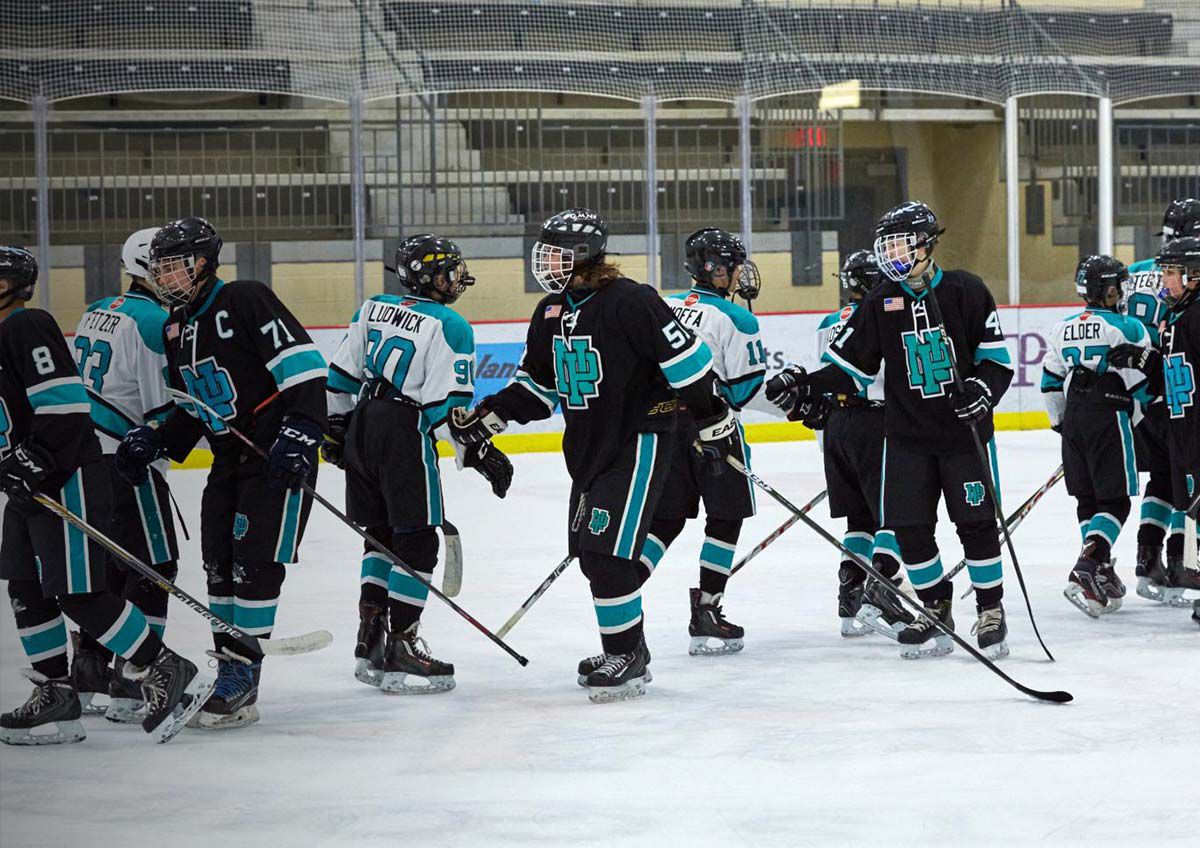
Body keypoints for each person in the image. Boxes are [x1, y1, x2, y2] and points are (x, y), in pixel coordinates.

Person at [449, 208, 733, 702]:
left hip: (638, 440)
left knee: (606, 554)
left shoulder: (632, 301)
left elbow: (689, 364)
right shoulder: (550, 312)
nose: (545, 261)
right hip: (586, 447)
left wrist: (713, 422)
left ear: (582, 255)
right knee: (591, 556)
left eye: (555, 251)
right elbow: (538, 388)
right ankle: (628, 647)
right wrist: (489, 419)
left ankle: (625, 653)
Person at [765, 201, 1014, 660]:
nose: (892, 255)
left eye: (900, 244)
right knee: (910, 528)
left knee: (976, 525)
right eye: (887, 246)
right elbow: (847, 368)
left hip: (964, 437)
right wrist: (805, 382)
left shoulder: (966, 290)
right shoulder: (881, 300)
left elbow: (997, 362)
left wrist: (982, 389)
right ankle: (935, 605)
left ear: (925, 244)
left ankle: (990, 607)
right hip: (906, 438)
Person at [115, 217, 327, 729]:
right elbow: (189, 410)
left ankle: (242, 679)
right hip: (228, 461)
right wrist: (156, 437)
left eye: (174, 265)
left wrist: (300, 433)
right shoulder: (173, 327)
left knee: (253, 565)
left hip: (273, 456)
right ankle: (231, 664)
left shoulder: (245, 299)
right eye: (159, 268)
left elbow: (304, 369)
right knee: (218, 565)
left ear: (204, 262)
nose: (164, 276)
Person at [0, 246, 210, 745]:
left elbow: (64, 405)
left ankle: (162, 667)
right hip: (27, 482)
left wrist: (35, 461)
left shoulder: (26, 326)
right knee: (25, 587)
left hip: (64, 476)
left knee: (77, 591)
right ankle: (57, 693)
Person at [322, 234, 512, 694]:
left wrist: (336, 429)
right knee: (418, 539)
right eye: (447, 270)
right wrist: (482, 454)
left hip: (364, 423)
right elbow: (446, 412)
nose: (455, 279)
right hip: (403, 430)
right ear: (426, 276)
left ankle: (371, 637)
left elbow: (340, 376)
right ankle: (402, 644)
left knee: (379, 535)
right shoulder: (451, 324)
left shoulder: (371, 307)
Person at [68, 227, 181, 722]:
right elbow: (161, 407)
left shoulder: (96, 309)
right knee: (156, 569)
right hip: (127, 463)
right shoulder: (155, 321)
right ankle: (134, 679)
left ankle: (90, 668)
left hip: (85, 461)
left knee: (107, 568)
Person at [651, 227, 762, 655]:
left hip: (663, 428)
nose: (739, 274)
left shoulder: (662, 307)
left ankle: (621, 591)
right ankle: (708, 609)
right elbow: (741, 392)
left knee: (665, 519)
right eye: (733, 266)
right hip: (714, 428)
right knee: (726, 516)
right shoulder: (736, 318)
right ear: (717, 270)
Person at [806, 250, 910, 638]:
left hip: (836, 425)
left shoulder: (828, 323)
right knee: (895, 511)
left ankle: (849, 593)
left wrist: (825, 440)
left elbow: (821, 380)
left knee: (859, 519)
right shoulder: (886, 314)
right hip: (876, 422)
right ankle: (879, 591)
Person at [1041, 256, 1153, 617]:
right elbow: (1144, 386)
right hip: (1109, 415)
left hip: (1074, 417)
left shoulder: (1061, 328)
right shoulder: (1129, 327)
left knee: (1087, 501)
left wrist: (1061, 423)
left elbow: (1049, 383)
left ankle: (1100, 571)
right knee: (1116, 502)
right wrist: (1138, 418)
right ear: (1109, 289)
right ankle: (1088, 564)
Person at [1109, 235, 1200, 608]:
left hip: (1195, 428)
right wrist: (1146, 362)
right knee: (1193, 506)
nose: (1164, 280)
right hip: (1182, 429)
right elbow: (1178, 372)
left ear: (1194, 275)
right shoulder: (1177, 316)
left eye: (1171, 273)